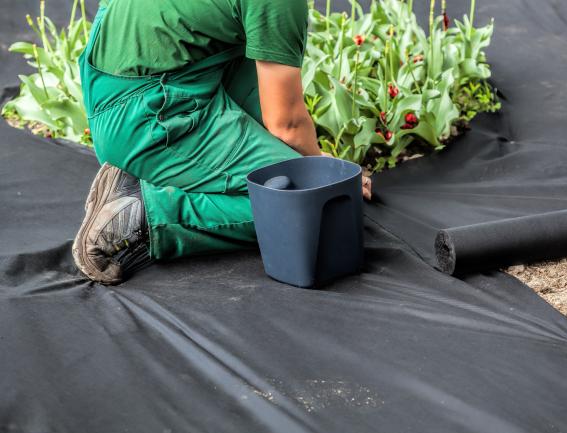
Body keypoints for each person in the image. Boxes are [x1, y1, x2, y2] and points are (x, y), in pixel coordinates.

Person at [72, 0, 372, 285]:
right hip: (149, 117)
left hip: (128, 78)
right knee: (320, 213)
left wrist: (299, 155)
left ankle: (158, 170)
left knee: (248, 36)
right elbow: (288, 124)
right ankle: (145, 212)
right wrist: (321, 173)